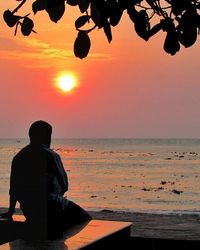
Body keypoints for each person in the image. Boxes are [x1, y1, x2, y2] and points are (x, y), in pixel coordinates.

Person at [0, 120, 91, 239]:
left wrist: (11, 210)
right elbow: (65, 186)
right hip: (51, 207)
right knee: (85, 217)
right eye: (49, 136)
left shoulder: (19, 157)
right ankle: (61, 238)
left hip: (29, 210)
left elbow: (14, 188)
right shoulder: (52, 155)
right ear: (46, 136)